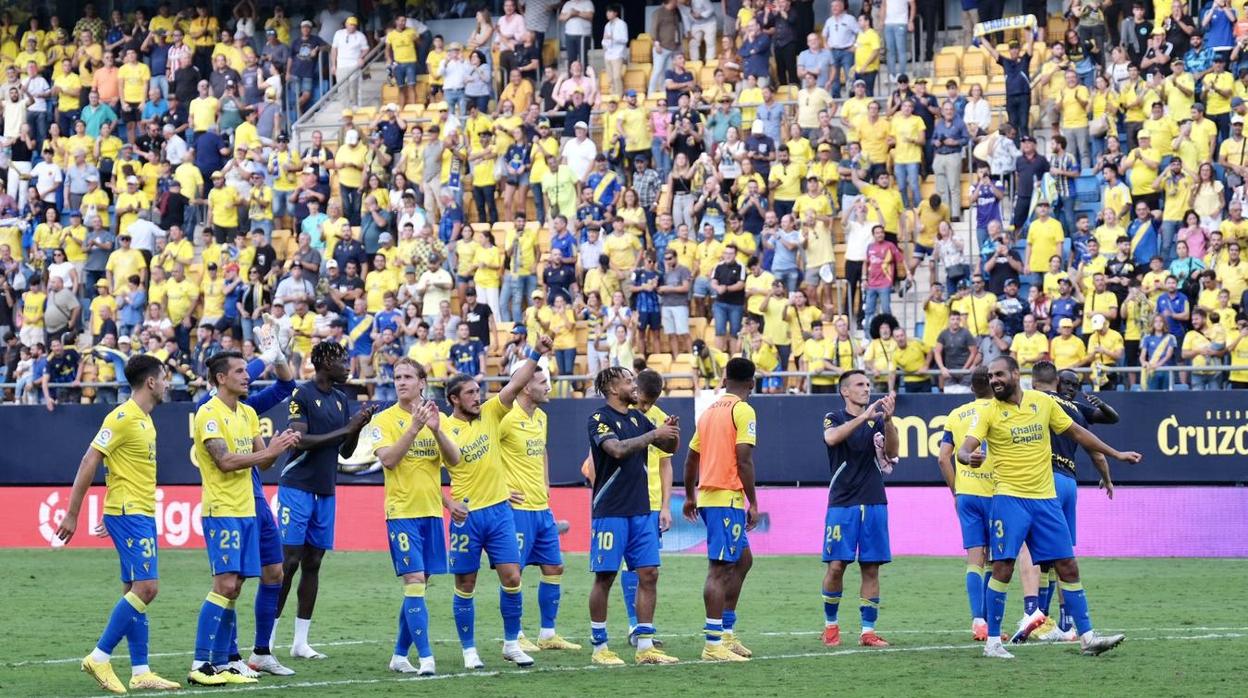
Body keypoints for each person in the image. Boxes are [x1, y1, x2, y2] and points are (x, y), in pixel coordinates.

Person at [956, 355, 1140, 660]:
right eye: (990, 377)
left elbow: (1079, 433)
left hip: (1046, 500)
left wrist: (1116, 454)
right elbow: (965, 448)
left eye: (999, 374)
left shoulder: (1042, 403)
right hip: (1009, 500)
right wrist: (968, 457)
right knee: (1002, 567)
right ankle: (992, 642)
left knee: (1068, 564)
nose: (994, 381)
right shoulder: (988, 411)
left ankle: (1088, 637)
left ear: (1016, 374)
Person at [57, 355, 182, 694]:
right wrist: (73, 512)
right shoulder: (123, 417)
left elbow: (121, 467)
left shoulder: (145, 420)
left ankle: (140, 671)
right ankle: (99, 656)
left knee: (134, 591)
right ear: (151, 382)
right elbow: (90, 459)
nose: (168, 383)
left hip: (132, 511)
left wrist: (112, 512)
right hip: (131, 513)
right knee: (147, 588)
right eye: (165, 377)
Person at [188, 351, 301, 685]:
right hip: (222, 509)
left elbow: (262, 463)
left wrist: (277, 448)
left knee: (235, 586)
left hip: (247, 508)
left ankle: (224, 661)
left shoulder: (248, 413)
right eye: (239, 370)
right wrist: (269, 451)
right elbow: (224, 461)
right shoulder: (207, 413)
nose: (247, 375)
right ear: (221, 378)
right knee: (224, 584)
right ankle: (200, 663)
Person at [442, 336, 554, 670]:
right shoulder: (442, 428)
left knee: (512, 576)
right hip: (467, 515)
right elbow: (426, 473)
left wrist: (536, 353)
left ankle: (511, 643)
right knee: (466, 583)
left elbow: (517, 382)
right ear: (454, 399)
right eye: (470, 394)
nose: (478, 398)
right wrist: (448, 503)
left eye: (478, 392)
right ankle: (469, 650)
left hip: (500, 512)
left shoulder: (492, 412)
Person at [275, 342, 376, 659]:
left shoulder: (341, 399)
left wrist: (356, 428)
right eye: (341, 360)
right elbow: (300, 440)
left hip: (325, 489)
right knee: (288, 563)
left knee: (313, 563)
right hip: (297, 486)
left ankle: (300, 643)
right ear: (322, 362)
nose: (348, 365)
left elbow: (344, 451)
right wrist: (347, 427)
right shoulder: (302, 394)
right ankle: (267, 639)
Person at [369, 359, 462, 676]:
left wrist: (436, 431)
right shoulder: (383, 420)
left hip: (431, 514)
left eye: (408, 377)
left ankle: (398, 655)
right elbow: (390, 460)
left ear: (422, 382)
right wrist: (414, 428)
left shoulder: (440, 418)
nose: (401, 382)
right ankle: (426, 658)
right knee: (414, 581)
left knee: (419, 586)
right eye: (396, 377)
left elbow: (455, 460)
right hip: (401, 513)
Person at [1018, 363, 1119, 644]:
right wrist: (1107, 479)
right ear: (1058, 383)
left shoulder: (1036, 401)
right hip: (1069, 483)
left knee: (1030, 548)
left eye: (1076, 385)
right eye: (1068, 384)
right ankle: (1064, 625)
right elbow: (1096, 451)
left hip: (1043, 479)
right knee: (1060, 553)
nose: (1072, 389)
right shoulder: (1075, 411)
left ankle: (1033, 613)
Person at [586, 366, 681, 666]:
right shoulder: (599, 419)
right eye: (628, 381)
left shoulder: (639, 418)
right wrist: (654, 433)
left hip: (642, 509)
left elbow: (667, 447)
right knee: (605, 577)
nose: (634, 385)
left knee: (649, 574)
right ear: (614, 388)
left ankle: (645, 645)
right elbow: (615, 449)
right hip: (611, 509)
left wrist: (671, 433)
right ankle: (600, 647)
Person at [498, 358, 581, 652]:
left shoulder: (541, 418)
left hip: (540, 507)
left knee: (554, 567)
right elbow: (481, 453)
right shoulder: (504, 419)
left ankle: (547, 634)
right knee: (513, 572)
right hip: (515, 510)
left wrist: (545, 483)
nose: (549, 387)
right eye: (543, 382)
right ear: (524, 386)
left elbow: (542, 450)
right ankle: (515, 635)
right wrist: (500, 489)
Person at [683, 357, 759, 662]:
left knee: (742, 560)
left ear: (725, 379)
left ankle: (726, 633)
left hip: (710, 497)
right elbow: (744, 460)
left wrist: (690, 495)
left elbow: (690, 459)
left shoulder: (709, 412)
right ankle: (713, 644)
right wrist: (754, 501)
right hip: (726, 498)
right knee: (720, 569)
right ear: (752, 383)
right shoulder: (743, 410)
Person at [820, 370, 897, 648]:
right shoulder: (834, 417)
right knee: (837, 566)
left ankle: (868, 631)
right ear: (845, 391)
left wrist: (888, 422)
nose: (867, 389)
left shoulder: (877, 422)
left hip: (875, 500)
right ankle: (831, 626)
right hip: (843, 502)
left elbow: (892, 452)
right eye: (860, 385)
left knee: (871, 568)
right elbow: (831, 439)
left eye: (868, 384)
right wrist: (864, 418)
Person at [937, 366, 995, 642]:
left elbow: (942, 458)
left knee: (974, 559)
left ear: (971, 388)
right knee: (997, 562)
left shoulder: (956, 415)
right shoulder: (1000, 411)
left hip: (968, 494)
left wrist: (956, 491)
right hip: (998, 493)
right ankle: (992, 623)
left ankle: (978, 621)